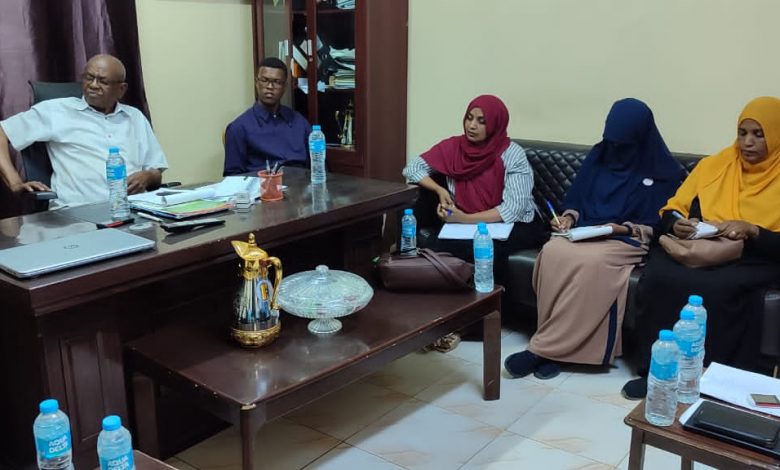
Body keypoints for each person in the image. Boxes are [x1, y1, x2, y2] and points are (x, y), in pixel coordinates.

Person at [503, 98, 684, 379]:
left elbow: (656, 224)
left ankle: (544, 350)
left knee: (591, 262)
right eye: (612, 142)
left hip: (628, 238)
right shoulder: (601, 155)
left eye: (623, 145)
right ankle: (555, 346)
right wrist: (568, 218)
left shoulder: (663, 171)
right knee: (553, 251)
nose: (616, 150)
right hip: (585, 231)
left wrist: (619, 229)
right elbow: (576, 198)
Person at [622, 96, 780, 399]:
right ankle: (659, 370)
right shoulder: (715, 165)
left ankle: (711, 378)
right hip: (704, 245)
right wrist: (677, 224)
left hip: (757, 255)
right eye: (742, 133)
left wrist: (753, 230)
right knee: (659, 277)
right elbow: (672, 209)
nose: (747, 142)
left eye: (759, 134)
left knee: (718, 289)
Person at [402, 94, 547, 351]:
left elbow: (512, 209)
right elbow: (412, 168)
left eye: (481, 121)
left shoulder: (512, 154)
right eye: (469, 118)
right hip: (466, 219)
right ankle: (437, 316)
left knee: (489, 249)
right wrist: (440, 191)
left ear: (495, 125)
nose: (472, 126)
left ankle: (477, 323)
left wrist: (464, 219)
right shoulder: (454, 147)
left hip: (517, 223)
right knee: (435, 245)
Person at [0, 54, 168, 208]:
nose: (93, 85)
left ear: (121, 89)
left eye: (103, 81)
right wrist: (15, 183)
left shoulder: (134, 117)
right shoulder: (56, 111)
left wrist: (147, 177)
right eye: (89, 78)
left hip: (134, 209)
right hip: (78, 214)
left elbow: (156, 171)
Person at [223, 57, 311, 176]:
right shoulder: (238, 128)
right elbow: (232, 178)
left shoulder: (299, 122)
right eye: (264, 80)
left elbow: (318, 164)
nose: (270, 86)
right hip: (263, 185)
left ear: (285, 87)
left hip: (301, 184)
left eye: (277, 82)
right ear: (256, 82)